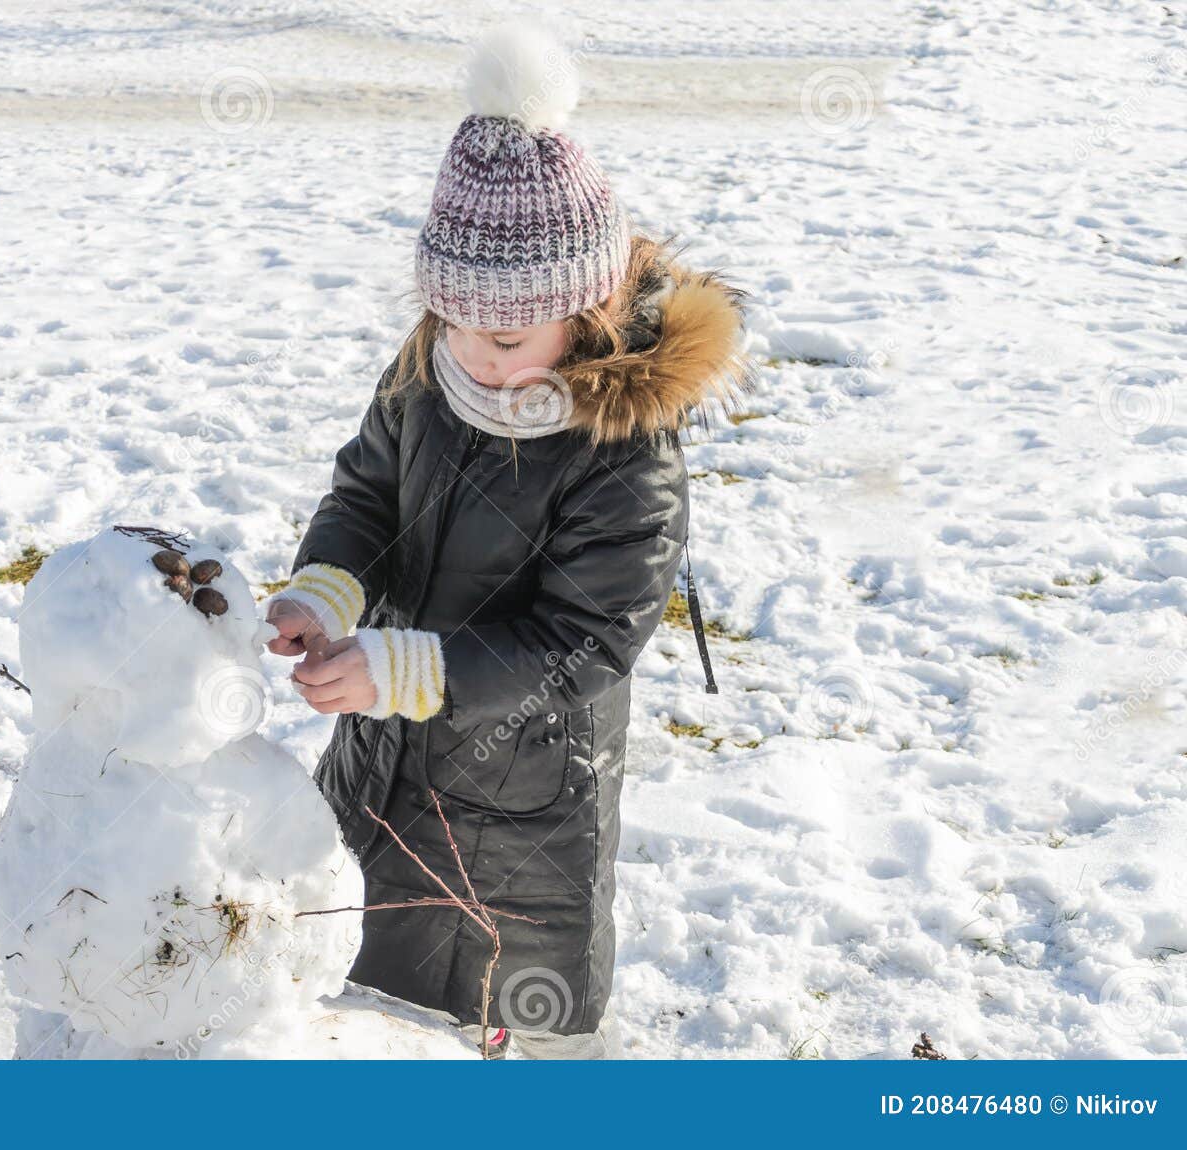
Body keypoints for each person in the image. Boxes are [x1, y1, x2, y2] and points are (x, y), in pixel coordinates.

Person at [264, 26, 753, 1059]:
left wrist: (409, 667)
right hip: (383, 745)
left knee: (517, 993)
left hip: (529, 785)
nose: (477, 360)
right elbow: (367, 494)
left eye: (506, 339)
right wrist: (327, 590)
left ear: (583, 313)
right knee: (358, 944)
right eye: (456, 327)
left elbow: (587, 638)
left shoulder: (622, 447)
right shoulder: (428, 370)